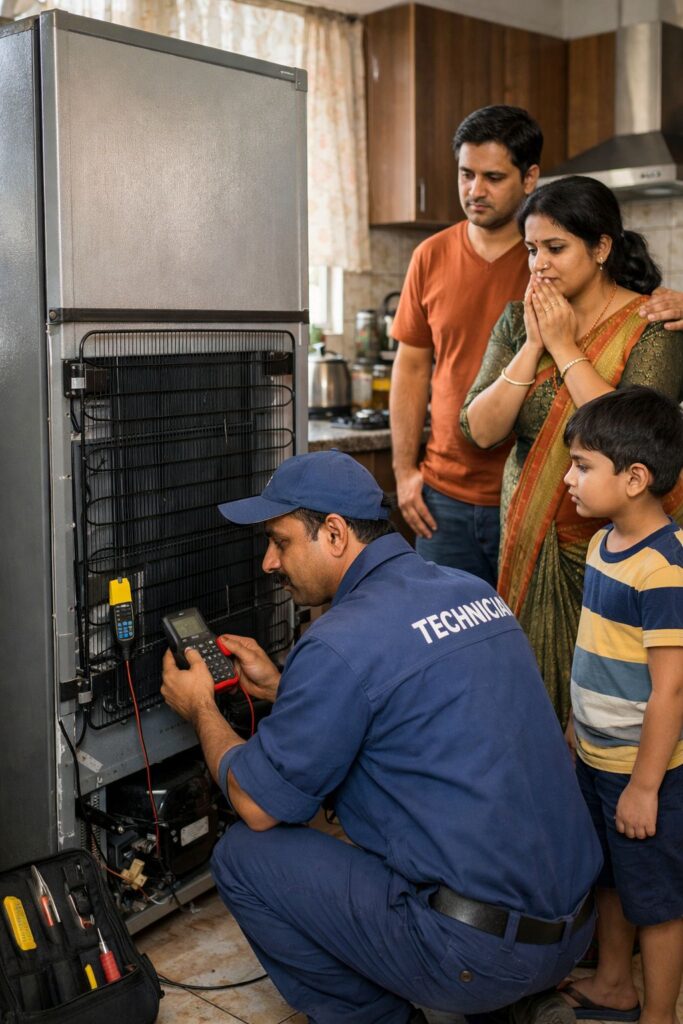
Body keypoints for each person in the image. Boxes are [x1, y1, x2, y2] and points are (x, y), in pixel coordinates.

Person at [161, 449, 602, 1024]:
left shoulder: (341, 641)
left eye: (280, 541)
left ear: (337, 534)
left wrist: (200, 710)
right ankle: (516, 1000)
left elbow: (256, 804)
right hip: (575, 930)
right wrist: (284, 686)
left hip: (481, 955)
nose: (269, 562)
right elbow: (396, 691)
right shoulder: (471, 591)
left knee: (244, 856)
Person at [459, 175, 683, 727]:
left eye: (555, 248)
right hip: (533, 527)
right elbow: (479, 431)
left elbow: (632, 439)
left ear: (601, 247)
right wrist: (534, 343)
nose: (538, 264)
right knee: (529, 700)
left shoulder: (652, 326)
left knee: (612, 696)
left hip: (618, 545)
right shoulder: (518, 321)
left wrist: (562, 348)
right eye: (532, 249)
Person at [559, 386, 683, 1024]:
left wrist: (644, 786)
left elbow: (672, 690)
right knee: (609, 877)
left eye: (582, 465)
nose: (567, 477)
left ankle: (660, 1014)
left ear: (635, 478)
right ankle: (614, 985)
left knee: (656, 900)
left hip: (645, 770)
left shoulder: (663, 570)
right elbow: (599, 653)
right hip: (598, 756)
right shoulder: (606, 542)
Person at [390, 105, 542, 584]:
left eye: (493, 177)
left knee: (524, 648)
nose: (475, 190)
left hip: (531, 493)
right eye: (466, 174)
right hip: (442, 500)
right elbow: (412, 369)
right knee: (445, 646)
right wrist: (403, 472)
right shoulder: (430, 255)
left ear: (530, 177)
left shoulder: (553, 255)